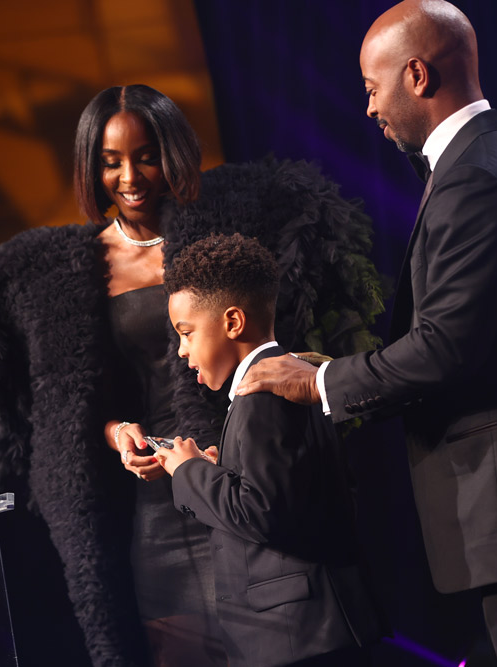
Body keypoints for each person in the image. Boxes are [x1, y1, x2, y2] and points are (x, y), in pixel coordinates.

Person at [0, 84, 384, 666]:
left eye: (145, 156)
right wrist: (115, 434)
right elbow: (67, 408)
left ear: (172, 153)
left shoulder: (230, 238)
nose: (130, 177)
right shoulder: (66, 271)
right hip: (155, 507)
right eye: (111, 161)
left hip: (240, 479)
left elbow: (289, 340)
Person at [235, 2, 497, 664]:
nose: (368, 108)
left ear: (417, 75)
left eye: (373, 88)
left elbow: (444, 348)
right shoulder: (484, 162)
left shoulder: (477, 177)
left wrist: (319, 382)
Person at [154, 233, 382, 666]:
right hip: (311, 631)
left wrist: (188, 471)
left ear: (233, 322)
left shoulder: (262, 390)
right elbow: (283, 492)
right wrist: (219, 472)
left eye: (186, 333)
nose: (182, 351)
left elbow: (262, 510)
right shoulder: (286, 376)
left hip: (301, 635)